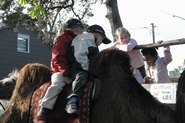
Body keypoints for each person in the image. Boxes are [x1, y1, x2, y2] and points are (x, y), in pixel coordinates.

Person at [35, 18, 84, 123]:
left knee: (79, 86)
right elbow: (58, 58)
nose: (78, 29)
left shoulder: (81, 41)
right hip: (59, 70)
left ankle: (74, 112)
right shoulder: (64, 39)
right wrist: (65, 74)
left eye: (80, 28)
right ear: (68, 28)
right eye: (75, 27)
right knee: (58, 84)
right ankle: (42, 111)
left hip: (73, 71)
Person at [65, 24, 111, 114]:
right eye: (102, 39)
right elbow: (80, 56)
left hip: (87, 68)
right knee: (81, 77)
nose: (102, 42)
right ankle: (72, 100)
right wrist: (89, 69)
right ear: (98, 35)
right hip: (78, 68)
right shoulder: (84, 39)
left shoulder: (91, 42)